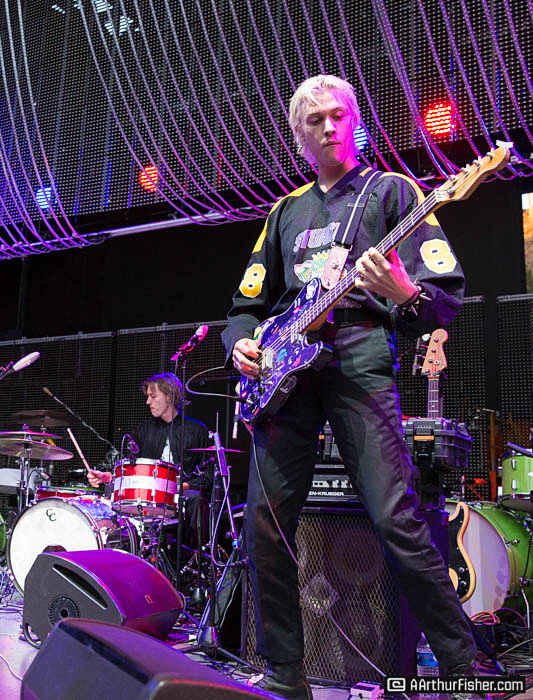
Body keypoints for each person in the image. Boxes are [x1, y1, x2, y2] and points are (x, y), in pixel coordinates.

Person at [222, 75, 481, 700]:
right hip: (286, 372)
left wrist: (404, 293)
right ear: (299, 137)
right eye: (314, 120)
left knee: (395, 518)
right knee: (265, 525)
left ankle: (464, 668)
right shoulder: (284, 212)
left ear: (356, 122)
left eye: (338, 115)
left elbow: (443, 294)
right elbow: (247, 303)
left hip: (359, 353)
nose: (329, 126)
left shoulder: (392, 192)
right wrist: (241, 342)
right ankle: (285, 674)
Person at [88, 372, 211, 568]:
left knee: (197, 501)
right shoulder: (144, 430)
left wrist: (183, 486)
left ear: (169, 396)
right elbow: (130, 467)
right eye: (147, 397)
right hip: (147, 498)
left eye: (153, 396)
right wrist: (108, 477)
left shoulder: (197, 431)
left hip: (182, 496)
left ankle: (193, 564)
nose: (148, 402)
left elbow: (209, 476)